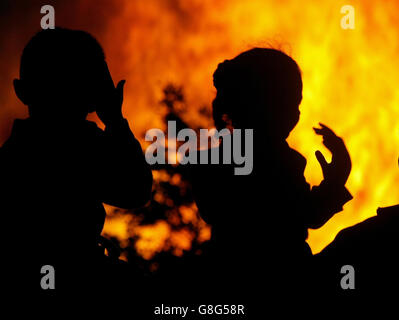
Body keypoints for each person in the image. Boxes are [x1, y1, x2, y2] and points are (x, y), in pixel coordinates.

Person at [0, 28, 152, 296]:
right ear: (93, 96)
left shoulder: (11, 154)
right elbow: (136, 190)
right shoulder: (84, 144)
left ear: (21, 91)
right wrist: (114, 120)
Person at [190, 48, 353, 298]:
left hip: (224, 278)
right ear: (267, 106)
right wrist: (336, 178)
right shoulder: (279, 161)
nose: (297, 113)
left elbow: (210, 208)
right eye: (291, 103)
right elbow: (309, 214)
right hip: (285, 281)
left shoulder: (215, 159)